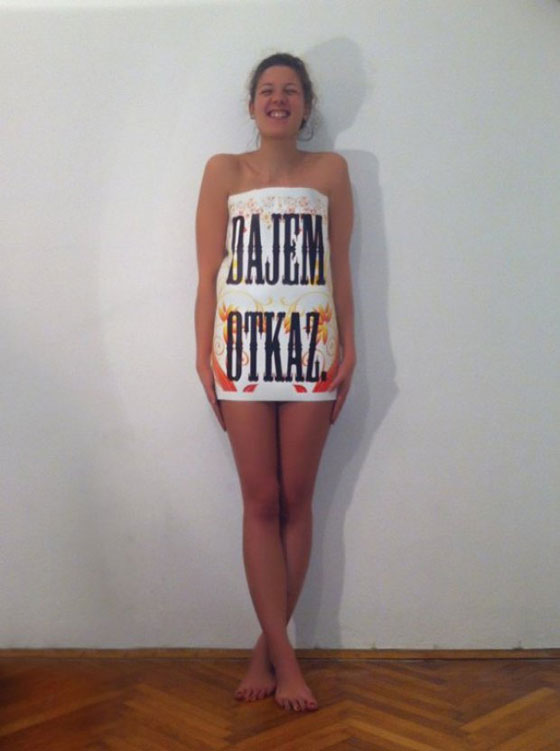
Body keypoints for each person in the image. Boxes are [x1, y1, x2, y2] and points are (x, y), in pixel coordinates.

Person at [194, 52, 355, 712]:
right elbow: (208, 273)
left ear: (307, 105)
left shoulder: (331, 171)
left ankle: (267, 650)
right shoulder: (223, 171)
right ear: (252, 104)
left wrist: (350, 348)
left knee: (297, 497)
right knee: (261, 499)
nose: (278, 98)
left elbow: (340, 269)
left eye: (290, 90)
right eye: (267, 89)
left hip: (312, 349)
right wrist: (201, 355)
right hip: (240, 350)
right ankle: (286, 661)